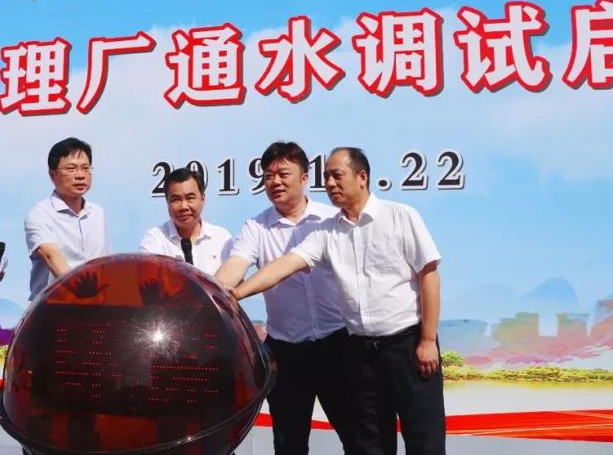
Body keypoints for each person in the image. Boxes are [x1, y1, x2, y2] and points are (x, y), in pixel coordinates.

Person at [231, 147, 446, 455]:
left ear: (362, 177)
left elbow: (429, 276)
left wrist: (427, 340)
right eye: (327, 177)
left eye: (337, 176)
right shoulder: (327, 232)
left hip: (407, 346)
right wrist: (235, 294)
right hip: (360, 354)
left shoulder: (400, 216)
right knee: (369, 444)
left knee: (423, 440)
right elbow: (284, 265)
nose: (330, 183)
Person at [214, 141, 351, 455]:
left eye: (283, 174)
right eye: (268, 176)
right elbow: (236, 264)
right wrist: (216, 291)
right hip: (287, 350)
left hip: (337, 344)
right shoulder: (256, 227)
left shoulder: (331, 219)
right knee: (289, 443)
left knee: (358, 435)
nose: (275, 182)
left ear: (304, 178)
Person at [25, 137, 111, 300]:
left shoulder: (98, 213)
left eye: (85, 168)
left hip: (96, 305)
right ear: (52, 174)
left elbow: (105, 262)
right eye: (71, 169)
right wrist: (82, 292)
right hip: (53, 306)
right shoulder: (40, 213)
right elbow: (50, 256)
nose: (80, 175)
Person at [139, 167, 232, 276]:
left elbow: (234, 282)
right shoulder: (155, 239)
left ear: (202, 199)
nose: (184, 206)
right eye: (176, 200)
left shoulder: (221, 237)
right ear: (167, 202)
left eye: (190, 198)